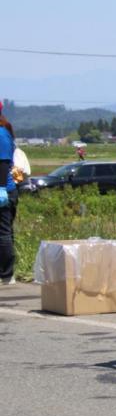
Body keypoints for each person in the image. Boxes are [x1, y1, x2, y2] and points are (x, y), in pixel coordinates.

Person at [0, 101, 18, 285]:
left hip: (4, 190)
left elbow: (3, 165)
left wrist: (1, 189)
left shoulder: (1, 135)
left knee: (3, 233)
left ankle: (6, 274)